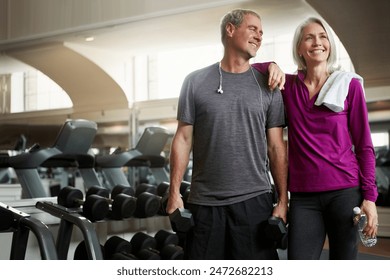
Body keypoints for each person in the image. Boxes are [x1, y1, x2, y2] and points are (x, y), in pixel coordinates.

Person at [166, 9, 288, 260]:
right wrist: (174, 193)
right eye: (253, 29)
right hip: (205, 203)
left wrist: (283, 200)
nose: (259, 36)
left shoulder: (269, 86)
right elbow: (183, 139)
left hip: (254, 201)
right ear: (230, 30)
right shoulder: (195, 81)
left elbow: (276, 147)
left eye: (262, 32)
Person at [253, 17, 379, 260]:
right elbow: (251, 68)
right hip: (303, 198)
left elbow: (364, 146)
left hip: (345, 192)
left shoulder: (349, 85)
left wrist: (370, 198)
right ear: (299, 48)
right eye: (309, 38)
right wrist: (272, 65)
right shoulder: (288, 87)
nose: (317, 42)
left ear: (329, 44)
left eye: (322, 37)